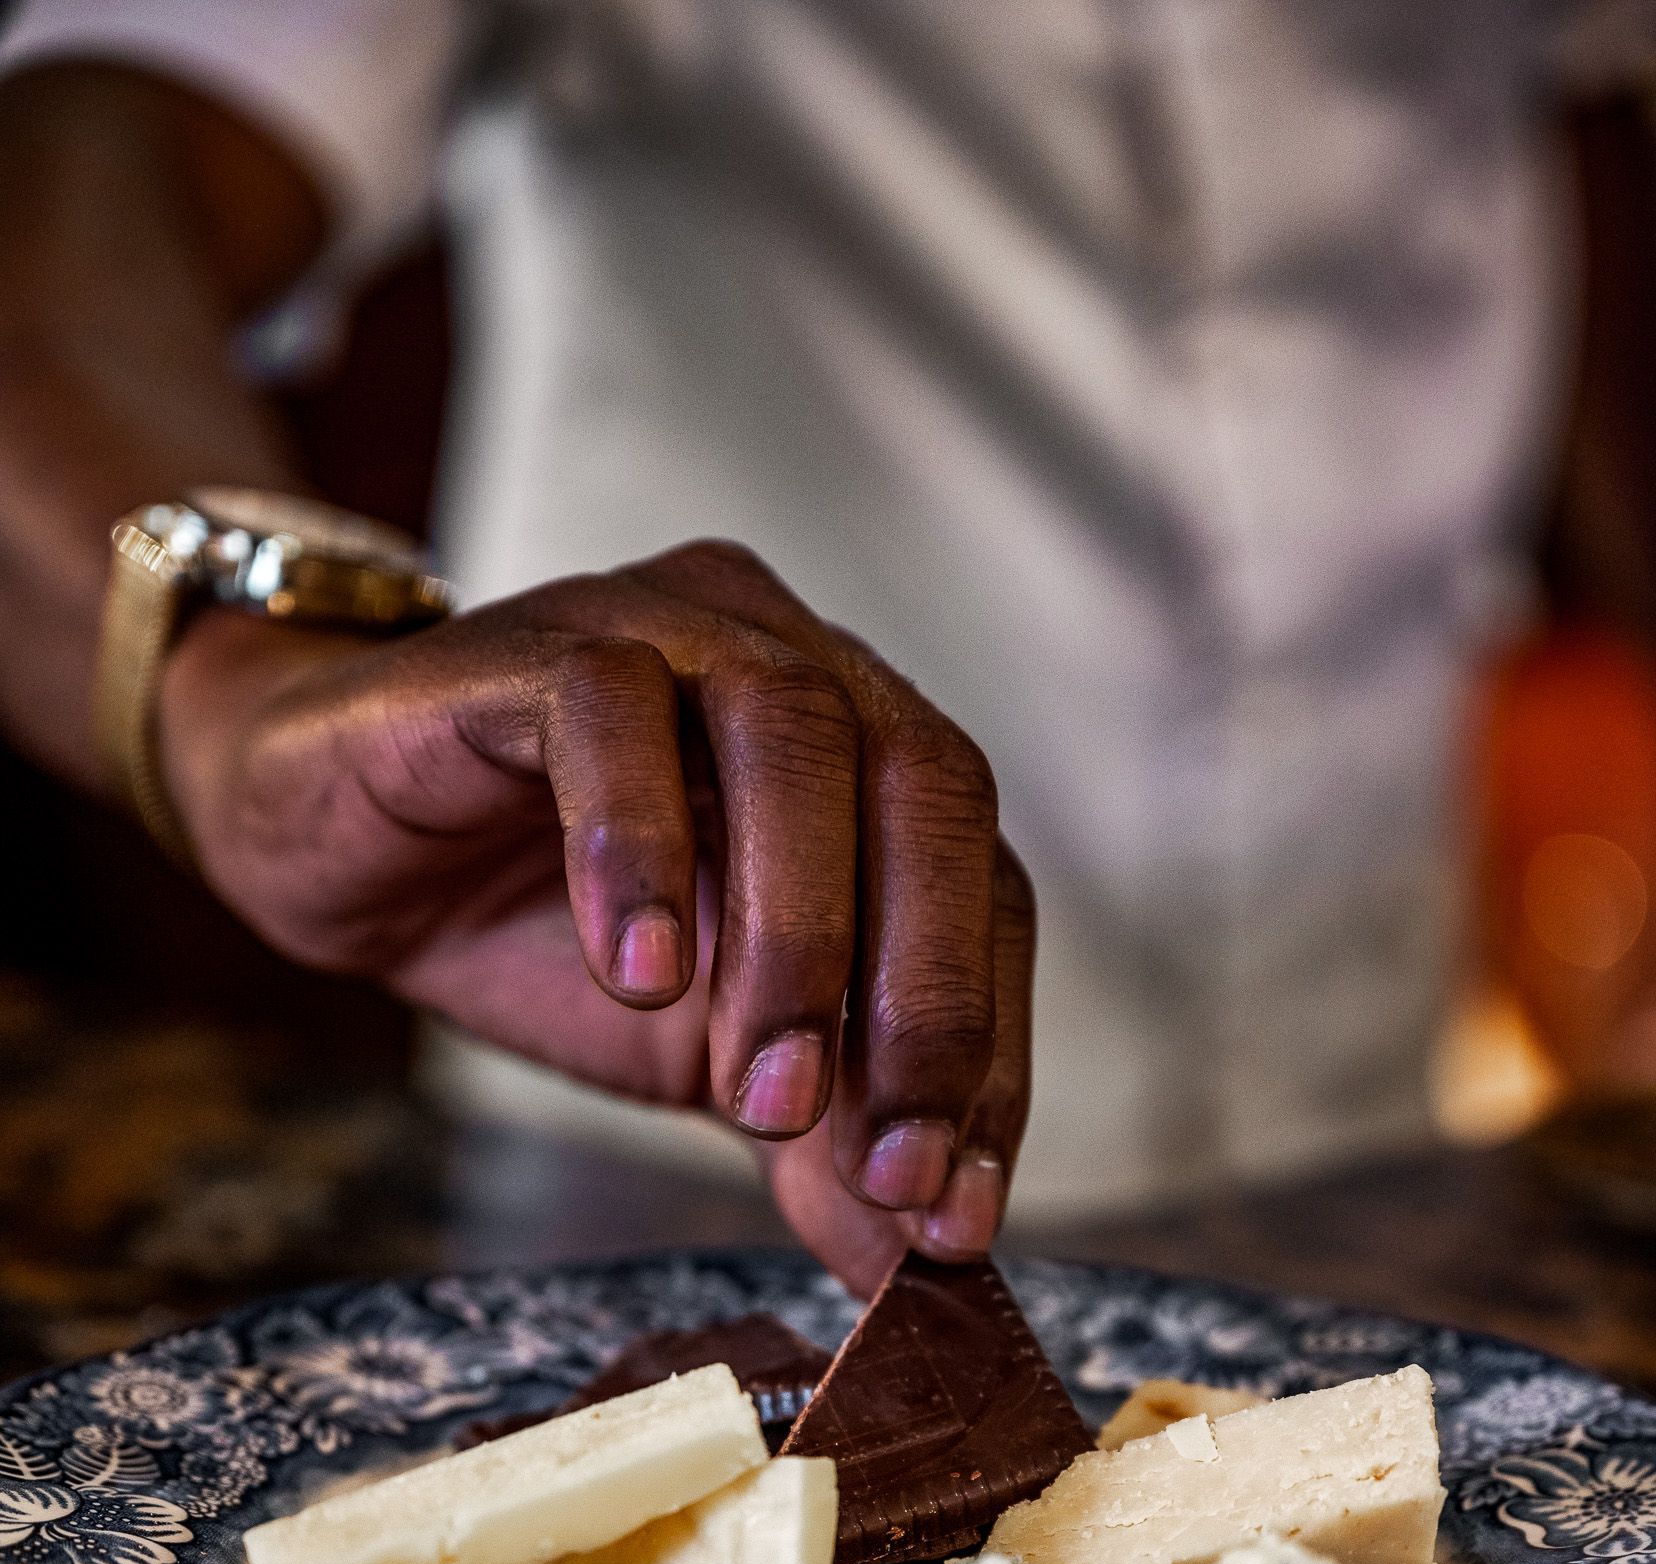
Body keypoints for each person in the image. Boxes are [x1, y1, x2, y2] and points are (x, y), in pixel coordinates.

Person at [0, 2, 1647, 1294]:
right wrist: (237, 692)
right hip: (672, 1120)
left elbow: (1588, 126)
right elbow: (71, 184)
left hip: (1369, 1099)